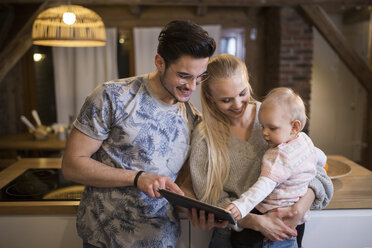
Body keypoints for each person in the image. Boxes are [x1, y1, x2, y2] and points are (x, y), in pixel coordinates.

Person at [61, 20, 216, 248]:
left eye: (200, 77)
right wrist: (137, 178)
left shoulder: (195, 119)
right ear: (159, 62)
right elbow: (72, 165)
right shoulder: (111, 96)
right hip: (103, 240)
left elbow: (181, 182)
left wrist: (198, 212)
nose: (192, 87)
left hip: (161, 240)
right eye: (184, 76)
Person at [188, 54, 333, 248]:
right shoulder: (204, 137)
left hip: (285, 230)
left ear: (248, 83)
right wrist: (256, 222)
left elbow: (314, 171)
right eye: (226, 100)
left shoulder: (275, 116)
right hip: (232, 237)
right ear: (209, 97)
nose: (238, 104)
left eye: (242, 93)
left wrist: (301, 207)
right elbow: (210, 198)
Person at [226, 87, 318, 248]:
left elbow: (263, 186)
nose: (265, 133)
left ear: (294, 127)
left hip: (273, 226)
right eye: (262, 126)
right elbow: (320, 158)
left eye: (272, 128)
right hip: (295, 224)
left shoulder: (278, 156)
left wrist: (240, 206)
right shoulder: (304, 140)